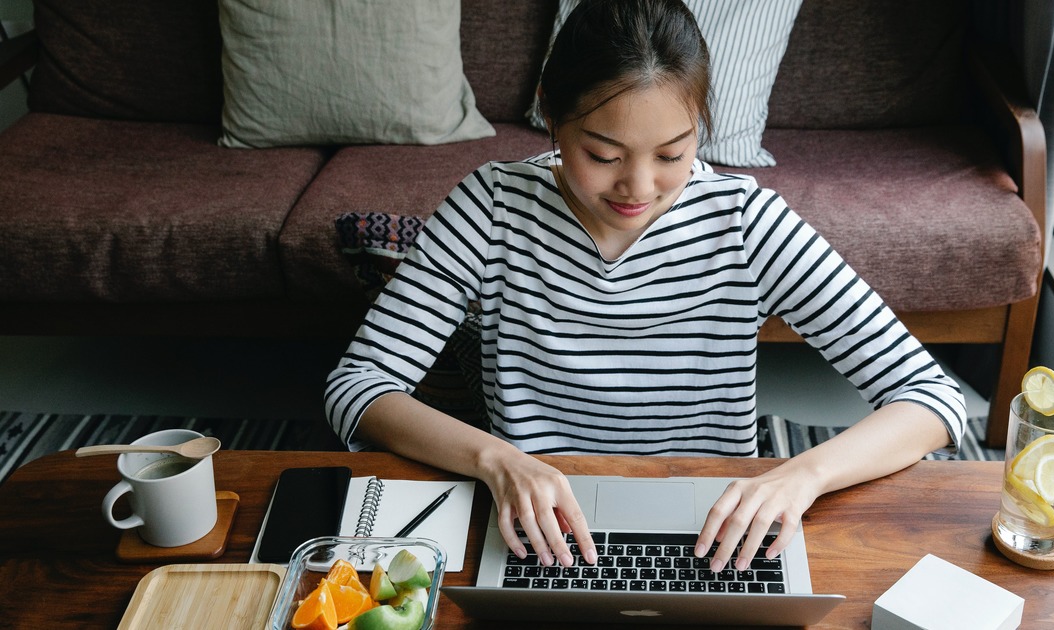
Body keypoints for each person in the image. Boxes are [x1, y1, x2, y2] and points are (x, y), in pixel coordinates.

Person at [326, 0, 964, 576]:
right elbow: (357, 388)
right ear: (552, 112)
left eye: (671, 155)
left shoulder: (744, 221)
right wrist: (500, 462)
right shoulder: (491, 207)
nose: (638, 188)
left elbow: (934, 399)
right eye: (603, 154)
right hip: (537, 526)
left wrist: (801, 475)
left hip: (717, 531)